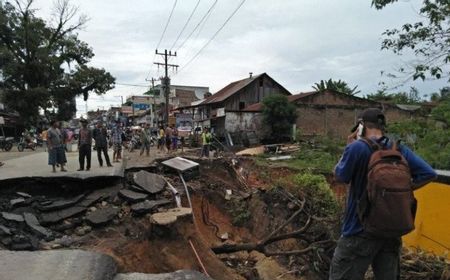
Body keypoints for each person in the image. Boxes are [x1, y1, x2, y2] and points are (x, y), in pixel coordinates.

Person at [329, 108, 437, 280]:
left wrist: (347, 148)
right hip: (391, 231)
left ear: (361, 127)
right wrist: (403, 190)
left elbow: (340, 176)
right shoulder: (399, 149)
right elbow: (429, 173)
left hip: (359, 230)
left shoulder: (356, 148)